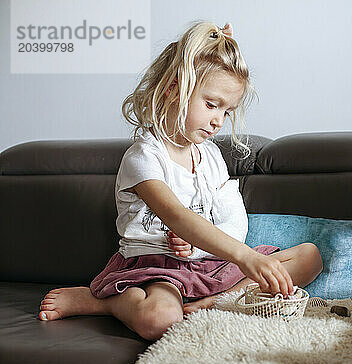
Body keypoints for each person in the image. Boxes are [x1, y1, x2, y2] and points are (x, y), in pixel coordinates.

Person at [38, 21, 323, 341]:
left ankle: (215, 303)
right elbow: (176, 215)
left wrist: (227, 252)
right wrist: (244, 256)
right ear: (175, 89)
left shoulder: (211, 157)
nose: (218, 120)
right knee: (160, 319)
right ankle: (106, 303)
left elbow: (232, 219)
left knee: (310, 256)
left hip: (212, 266)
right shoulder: (144, 157)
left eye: (227, 111)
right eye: (212, 104)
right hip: (162, 271)